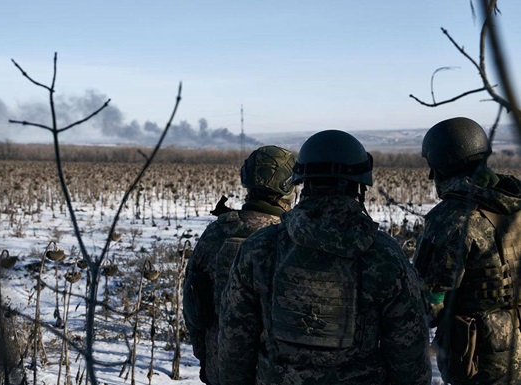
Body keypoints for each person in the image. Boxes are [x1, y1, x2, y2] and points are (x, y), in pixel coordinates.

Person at [218, 130, 431, 385]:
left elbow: (235, 342)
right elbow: (410, 354)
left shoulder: (259, 249)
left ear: (301, 181)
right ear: (359, 185)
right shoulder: (384, 255)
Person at [413, 117, 521, 385]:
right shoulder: (515, 203)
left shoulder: (452, 218)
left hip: (482, 356)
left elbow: (427, 299)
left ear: (442, 165)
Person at [183, 145, 296, 385]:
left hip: (219, 371)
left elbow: (192, 308)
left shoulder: (216, 232)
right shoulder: (288, 240)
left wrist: (207, 361)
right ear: (288, 187)